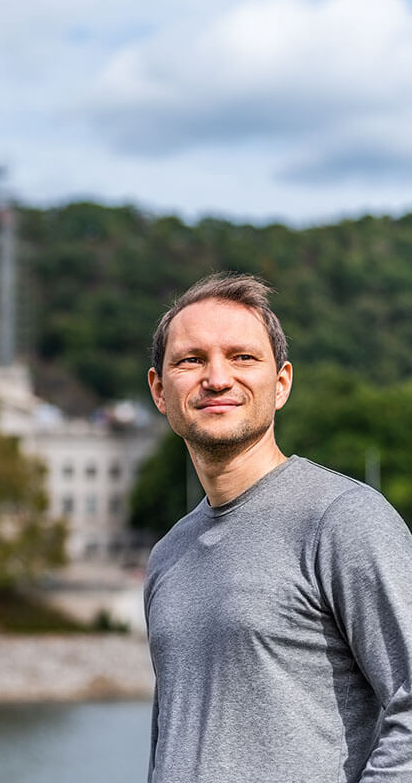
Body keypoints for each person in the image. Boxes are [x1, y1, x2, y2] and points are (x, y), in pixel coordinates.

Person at [144, 271, 412, 782]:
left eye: (242, 357)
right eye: (190, 360)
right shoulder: (168, 555)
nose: (217, 378)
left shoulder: (343, 519)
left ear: (281, 382)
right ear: (160, 389)